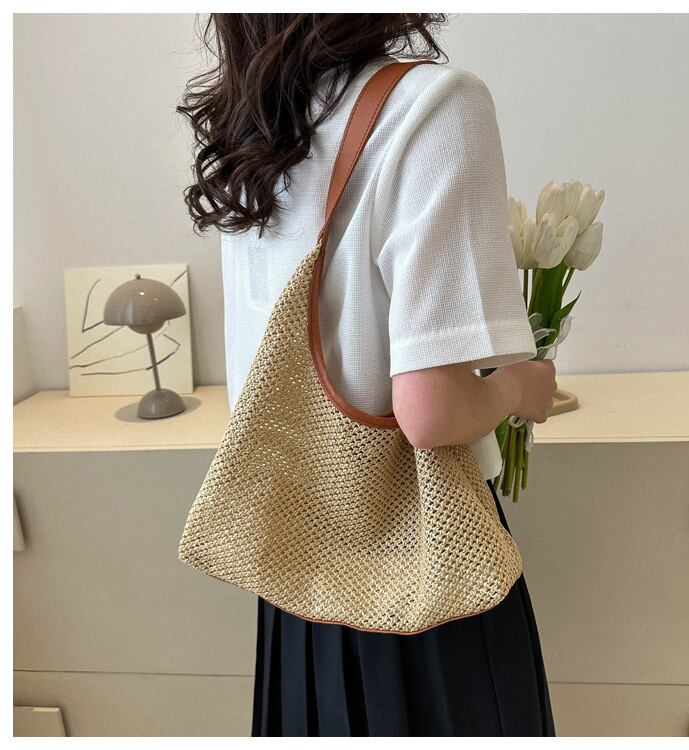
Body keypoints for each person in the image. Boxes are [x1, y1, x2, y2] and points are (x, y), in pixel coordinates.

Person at [178, 13, 557, 737]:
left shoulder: (252, 128)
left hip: (298, 564)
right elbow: (433, 413)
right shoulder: (434, 105)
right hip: (422, 571)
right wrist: (519, 386)